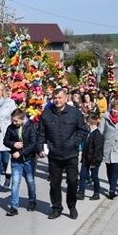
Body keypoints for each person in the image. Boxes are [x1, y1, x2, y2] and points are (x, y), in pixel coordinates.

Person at [38, 87, 89, 220]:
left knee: (72, 182)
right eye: (55, 98)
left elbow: (83, 131)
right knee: (54, 183)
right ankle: (56, 208)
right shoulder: (46, 114)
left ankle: (72, 206)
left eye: (60, 97)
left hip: (71, 154)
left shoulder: (74, 113)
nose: (57, 100)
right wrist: (40, 149)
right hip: (54, 155)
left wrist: (75, 142)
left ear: (66, 98)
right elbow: (40, 135)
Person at [3, 109, 39, 216]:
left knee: (30, 181)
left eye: (16, 121)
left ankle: (32, 201)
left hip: (28, 159)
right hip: (16, 160)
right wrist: (14, 144)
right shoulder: (10, 128)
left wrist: (21, 152)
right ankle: (14, 206)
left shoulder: (31, 127)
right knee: (15, 183)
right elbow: (5, 141)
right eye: (12, 121)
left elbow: (33, 144)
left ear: (22, 119)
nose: (14, 123)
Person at [77, 112, 104, 201]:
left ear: (89, 123)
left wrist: (94, 162)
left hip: (93, 161)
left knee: (94, 177)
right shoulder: (88, 133)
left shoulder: (97, 134)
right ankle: (81, 193)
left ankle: (96, 193)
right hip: (85, 159)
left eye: (86, 122)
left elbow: (98, 150)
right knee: (82, 176)